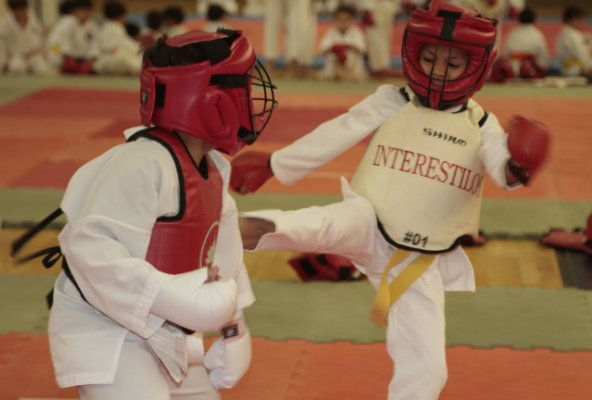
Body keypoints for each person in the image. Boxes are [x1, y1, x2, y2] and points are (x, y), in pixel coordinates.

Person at [229, 1, 550, 399]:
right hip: (367, 217)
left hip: (417, 259)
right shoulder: (392, 99)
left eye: (452, 64)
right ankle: (217, 231)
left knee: (429, 369)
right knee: (313, 225)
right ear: (413, 53)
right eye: (430, 59)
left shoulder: (482, 124)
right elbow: (339, 131)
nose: (437, 71)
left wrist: (520, 164)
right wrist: (276, 164)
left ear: (475, 67)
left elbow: (501, 165)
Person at [45, 29, 278, 399]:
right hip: (110, 332)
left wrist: (234, 327)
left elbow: (223, 253)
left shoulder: (213, 168)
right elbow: (90, 250)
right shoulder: (143, 163)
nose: (251, 100)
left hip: (169, 329)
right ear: (212, 101)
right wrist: (169, 296)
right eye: (243, 87)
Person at [0, 0, 56, 75]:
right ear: (12, 9)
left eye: (22, 9)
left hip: (34, 56)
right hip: (16, 58)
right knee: (17, 68)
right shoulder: (4, 24)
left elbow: (40, 38)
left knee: (43, 69)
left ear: (26, 7)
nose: (20, 12)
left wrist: (44, 53)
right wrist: (3, 63)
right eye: (16, 10)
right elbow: (1, 46)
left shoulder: (33, 19)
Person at [491, 6, 550, 82]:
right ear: (534, 19)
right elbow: (544, 58)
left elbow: (506, 54)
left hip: (513, 72)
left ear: (519, 19)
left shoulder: (512, 34)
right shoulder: (538, 35)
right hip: (531, 72)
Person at [46, 0, 100, 74]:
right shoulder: (68, 22)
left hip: (84, 59)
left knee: (98, 64)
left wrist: (89, 61)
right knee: (55, 57)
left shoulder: (92, 25)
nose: (85, 14)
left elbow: (95, 46)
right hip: (66, 58)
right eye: (82, 11)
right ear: (75, 11)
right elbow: (58, 42)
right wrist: (67, 57)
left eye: (88, 11)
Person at [318, 5, 367, 82]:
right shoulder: (331, 33)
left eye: (345, 19)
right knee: (333, 56)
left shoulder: (357, 32)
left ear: (352, 20)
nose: (342, 22)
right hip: (334, 67)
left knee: (350, 54)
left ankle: (344, 77)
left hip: (352, 68)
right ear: (335, 20)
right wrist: (336, 49)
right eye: (339, 19)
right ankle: (341, 76)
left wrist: (345, 47)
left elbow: (361, 49)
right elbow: (323, 49)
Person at [94, 1, 141, 75]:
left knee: (137, 55)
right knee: (122, 56)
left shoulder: (112, 27)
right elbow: (113, 49)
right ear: (119, 16)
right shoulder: (113, 27)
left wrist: (139, 48)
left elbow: (126, 43)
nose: (125, 19)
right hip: (108, 59)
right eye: (124, 16)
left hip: (109, 60)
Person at [555, 6, 592, 80]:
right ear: (569, 20)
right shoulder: (571, 35)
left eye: (582, 19)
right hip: (575, 71)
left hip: (573, 69)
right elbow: (581, 55)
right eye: (579, 19)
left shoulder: (570, 33)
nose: (582, 22)